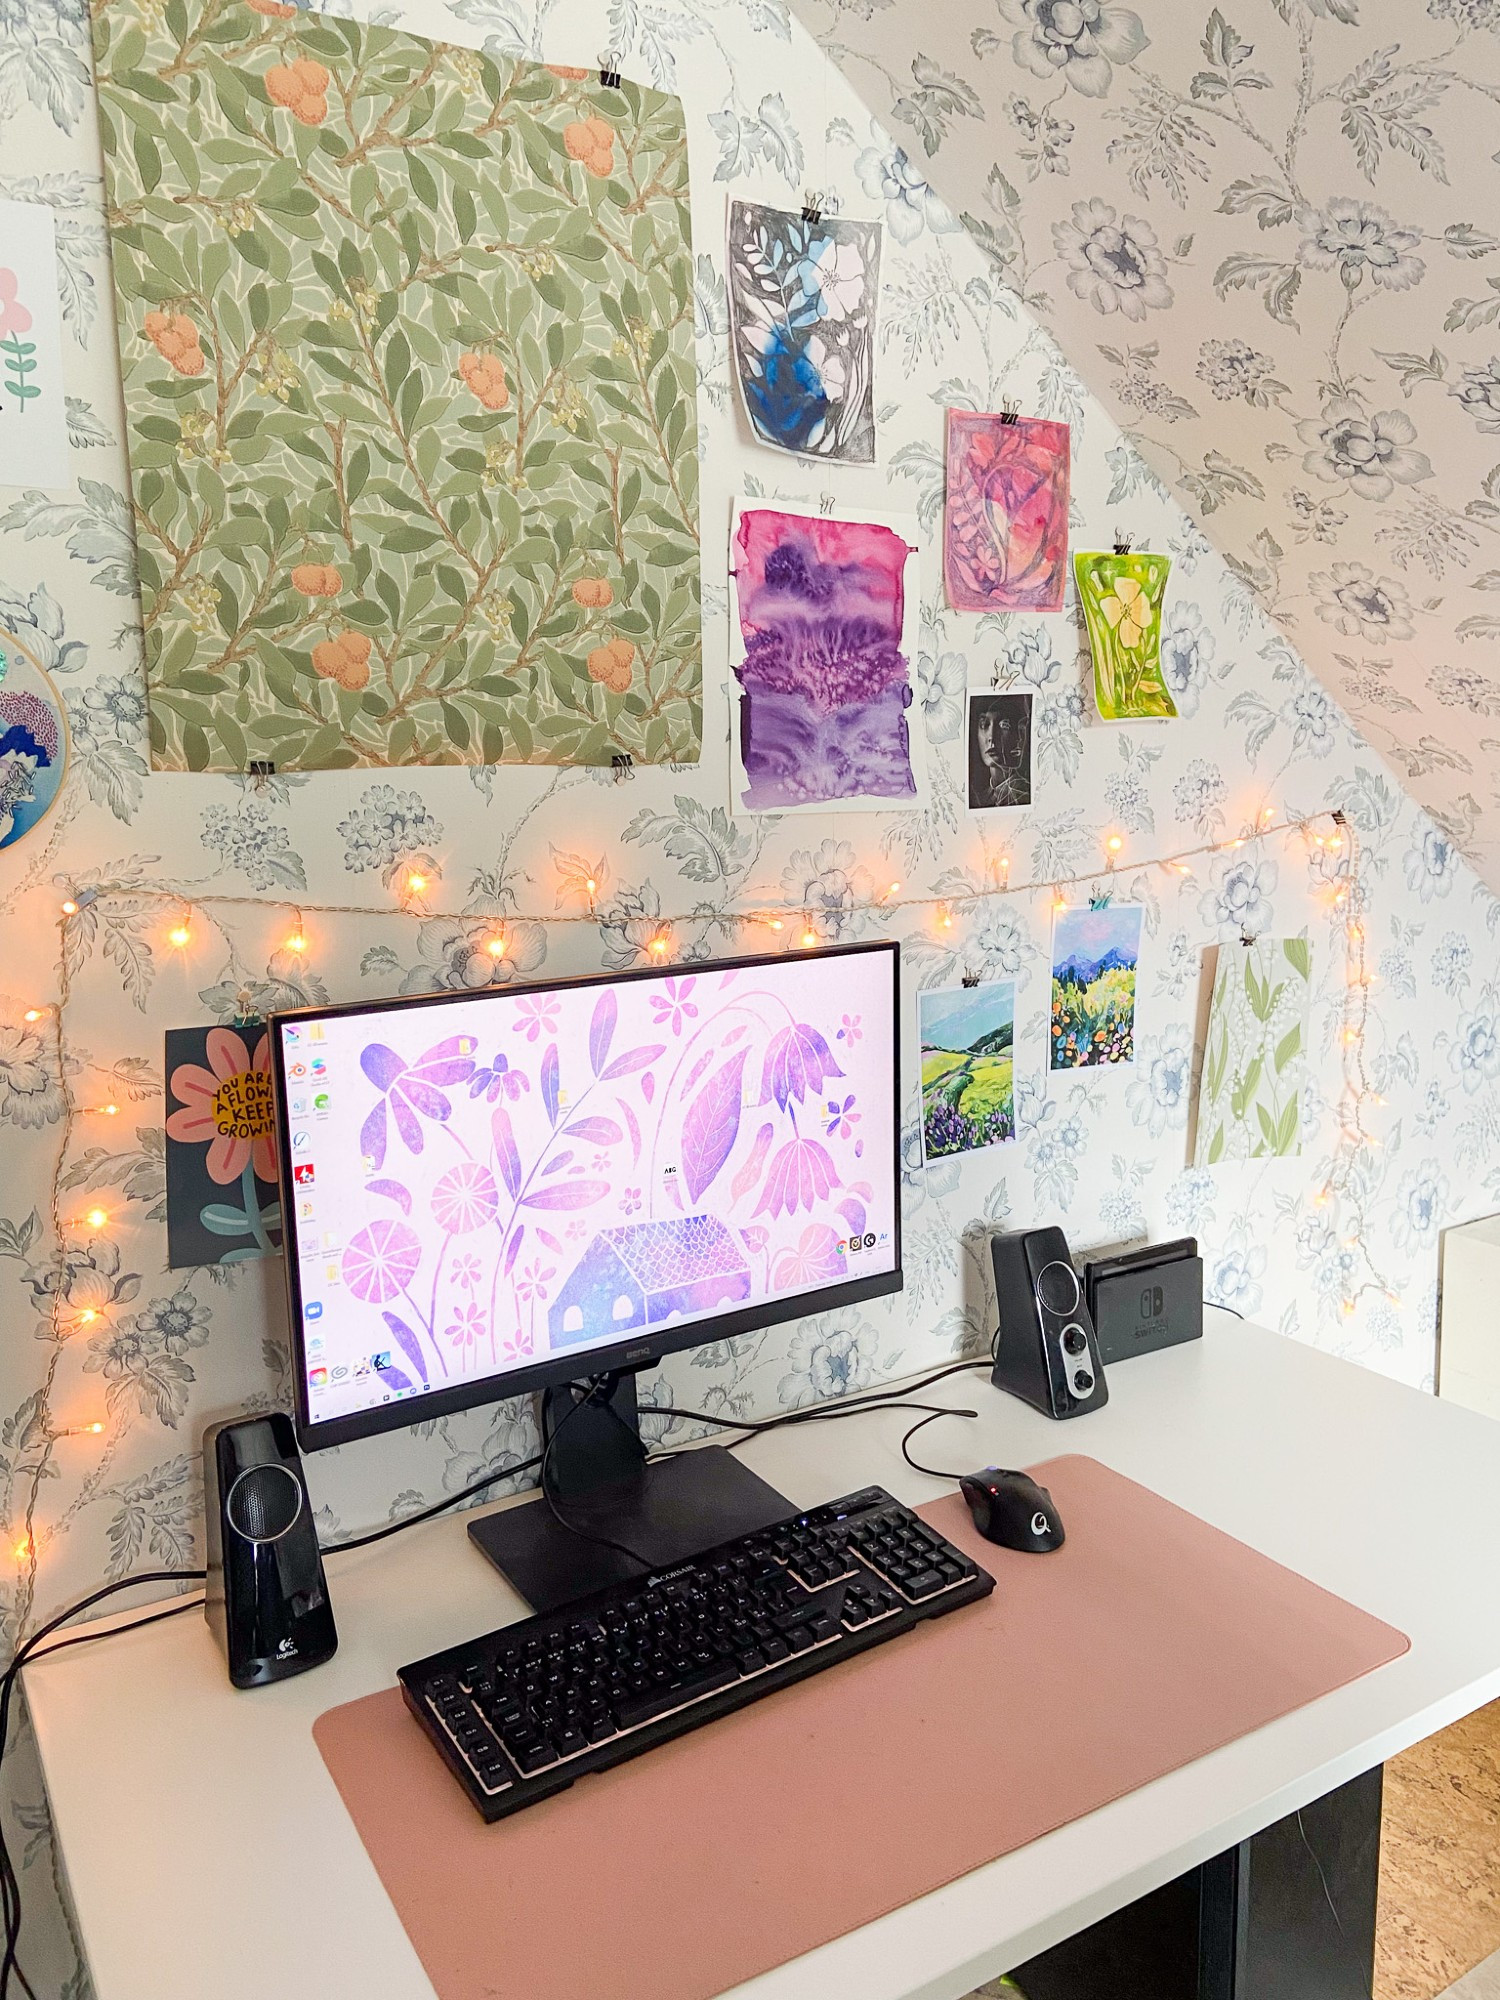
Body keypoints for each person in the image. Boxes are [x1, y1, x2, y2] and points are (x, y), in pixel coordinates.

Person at [969, 695, 1030, 809]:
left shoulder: (1022, 795)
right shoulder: (980, 798)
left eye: (1004, 725)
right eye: (984, 725)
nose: (991, 736)